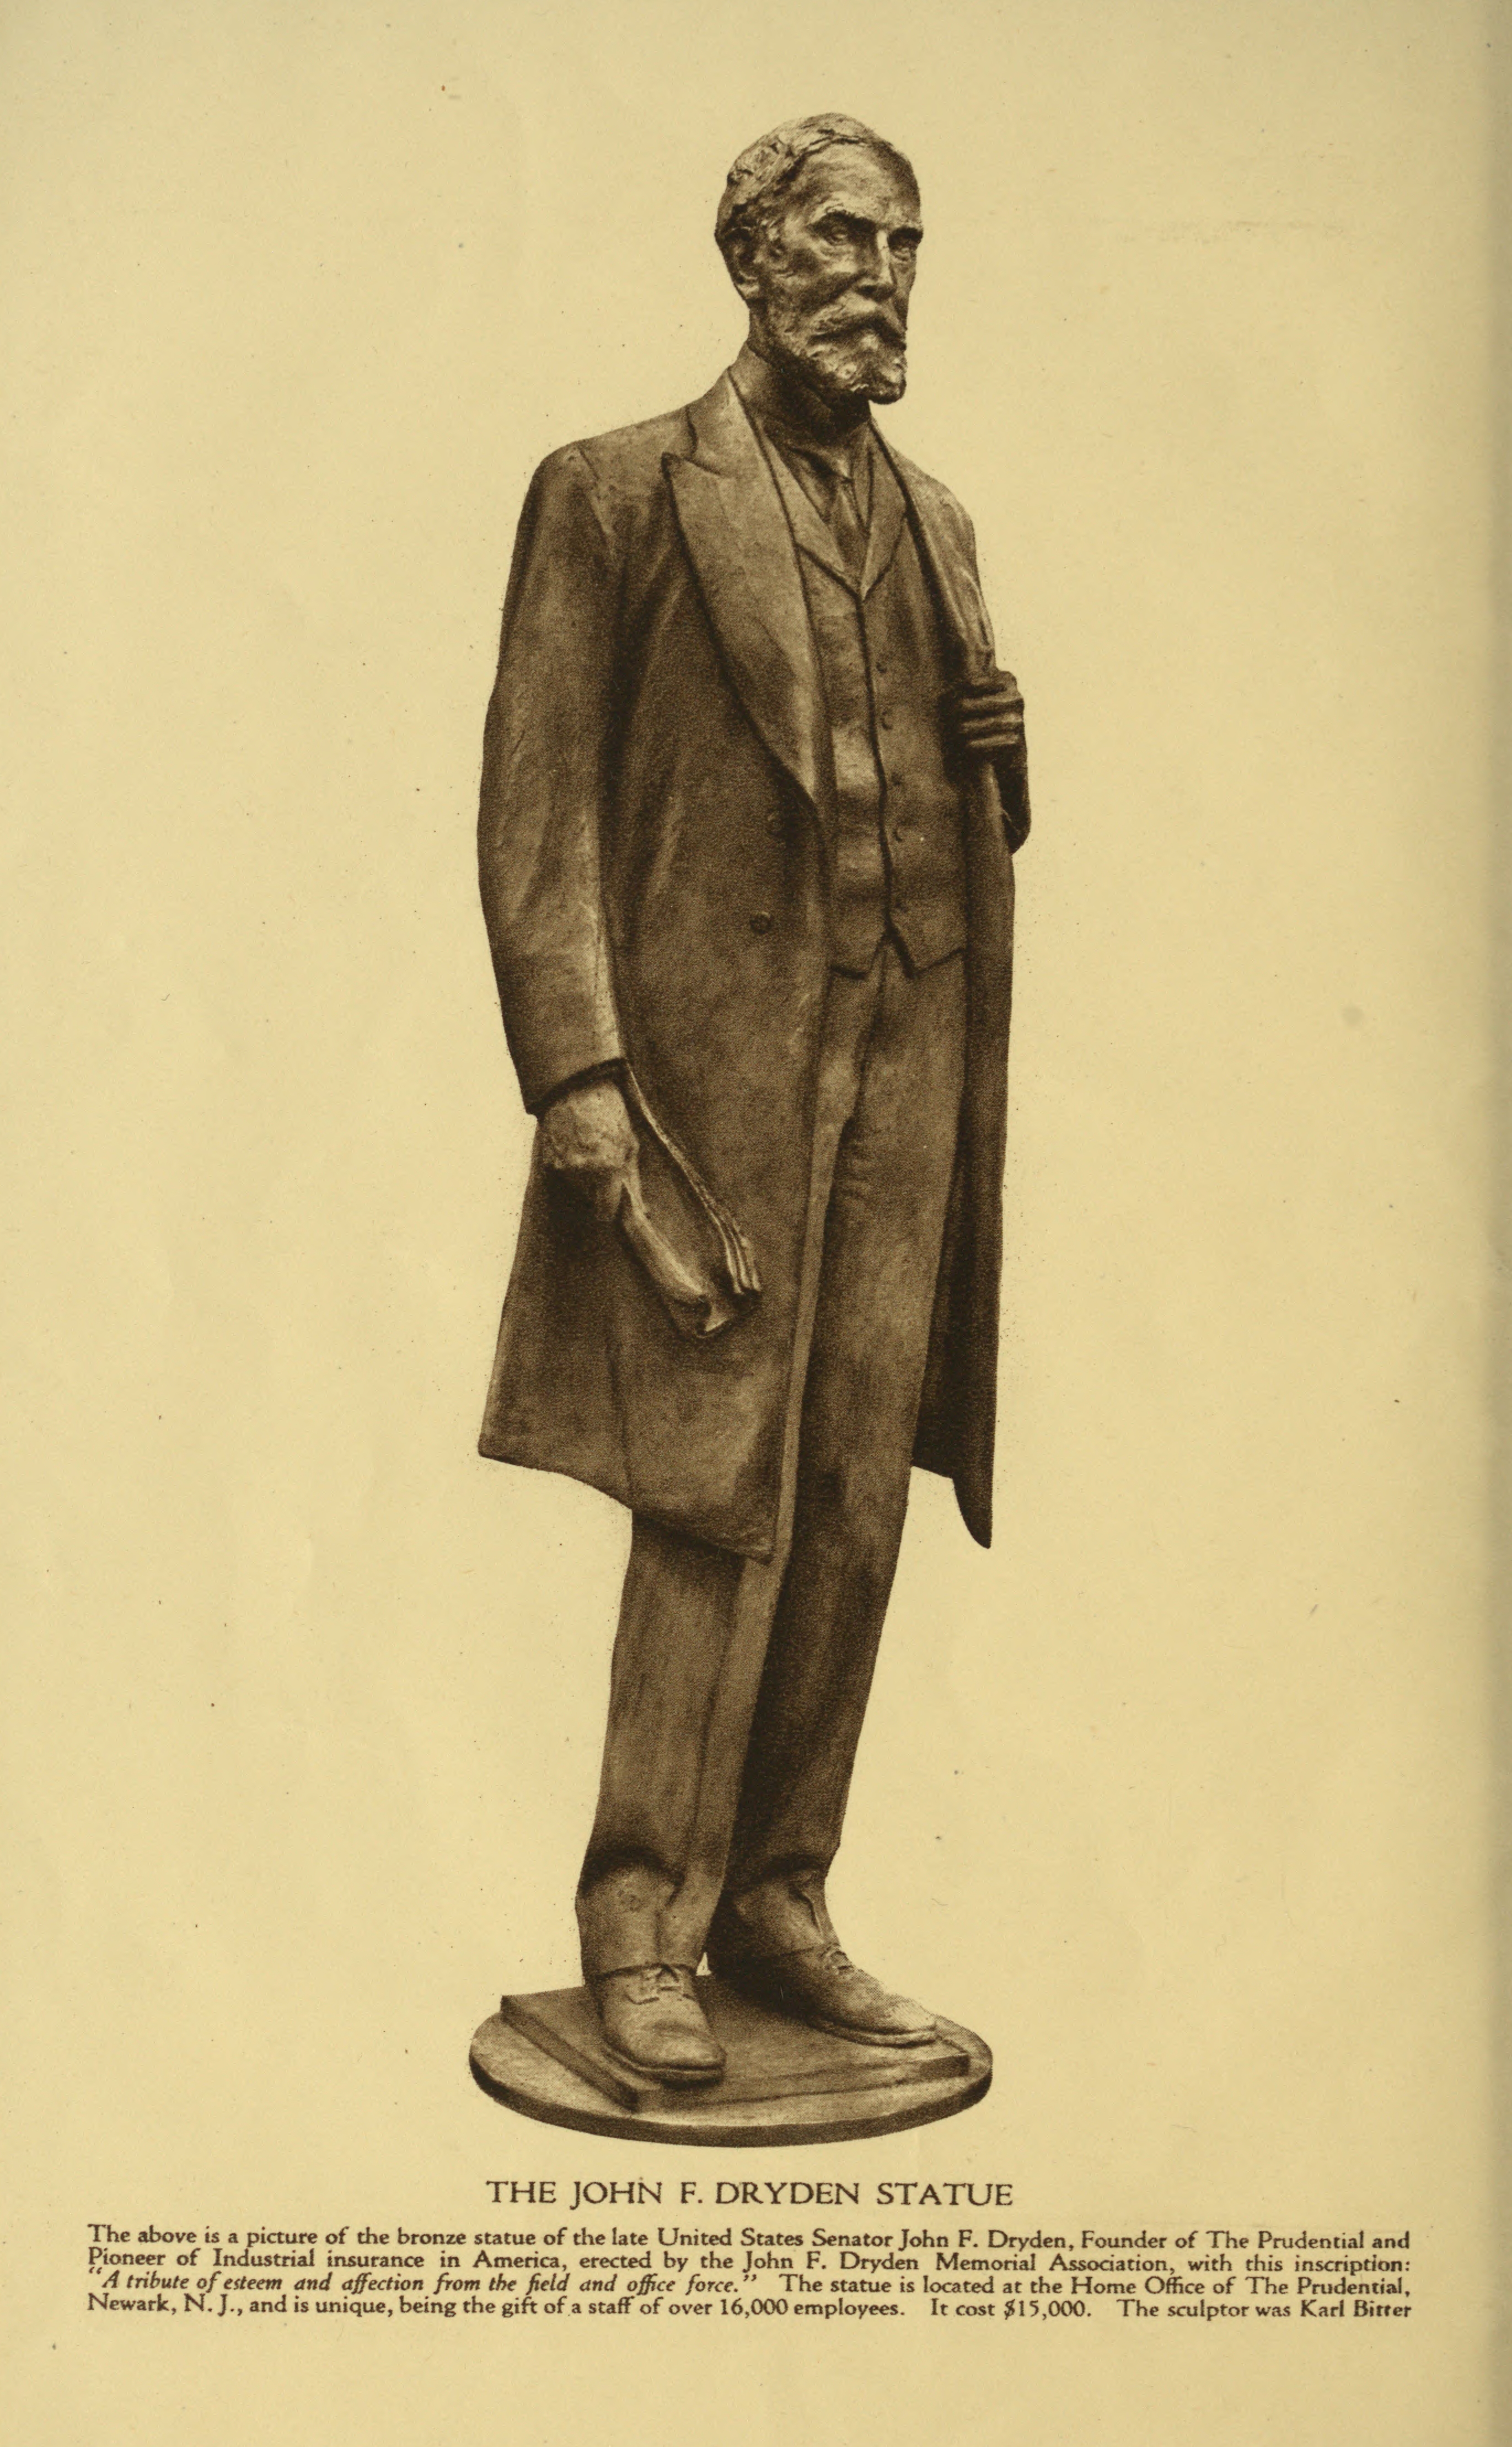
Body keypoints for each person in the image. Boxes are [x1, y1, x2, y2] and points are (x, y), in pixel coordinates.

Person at [477, 113, 1029, 2085]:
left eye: (907, 246)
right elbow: (536, 806)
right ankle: (639, 1917)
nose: (883, 279)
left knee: (857, 1488)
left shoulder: (939, 520)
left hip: (910, 1064)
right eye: (845, 240)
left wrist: (1003, 766)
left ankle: (781, 1899)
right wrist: (580, 1076)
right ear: (752, 258)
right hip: (715, 1095)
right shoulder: (617, 492)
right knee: (714, 1495)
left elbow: (951, 797)